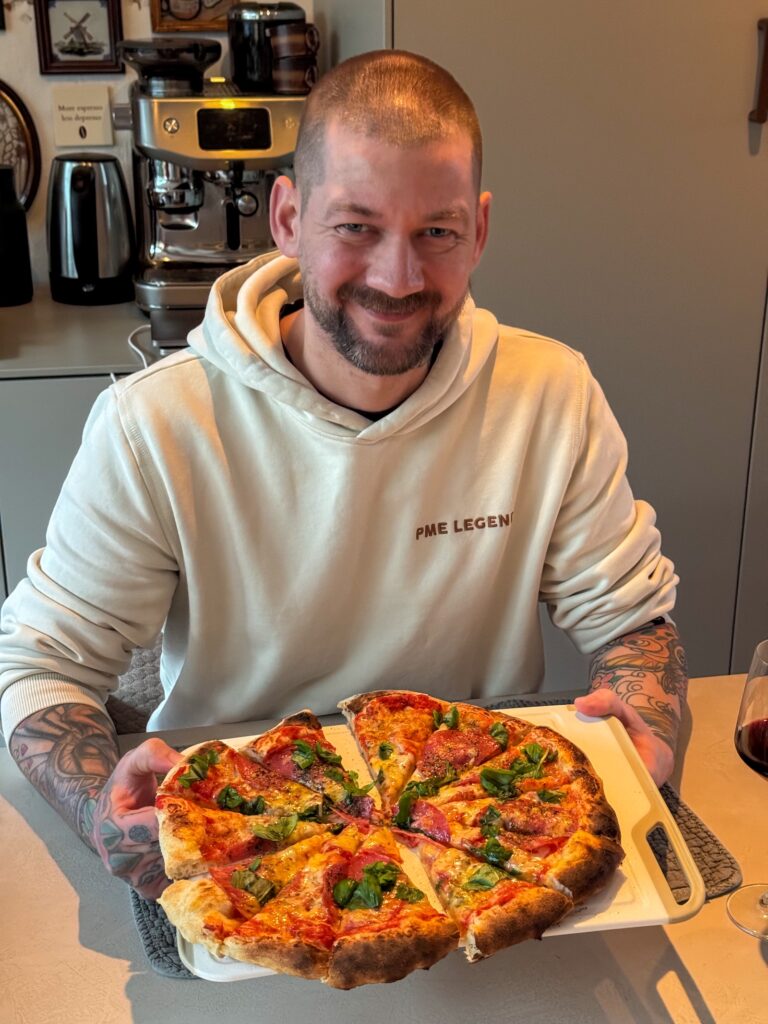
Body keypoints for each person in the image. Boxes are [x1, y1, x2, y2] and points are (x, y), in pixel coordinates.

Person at [0, 50, 687, 900]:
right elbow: (40, 666)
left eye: (436, 231)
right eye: (355, 226)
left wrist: (647, 722)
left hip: (480, 831)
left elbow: (631, 620)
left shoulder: (551, 393)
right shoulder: (157, 422)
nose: (397, 279)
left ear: (479, 229)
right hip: (244, 846)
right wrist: (103, 806)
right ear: (287, 218)